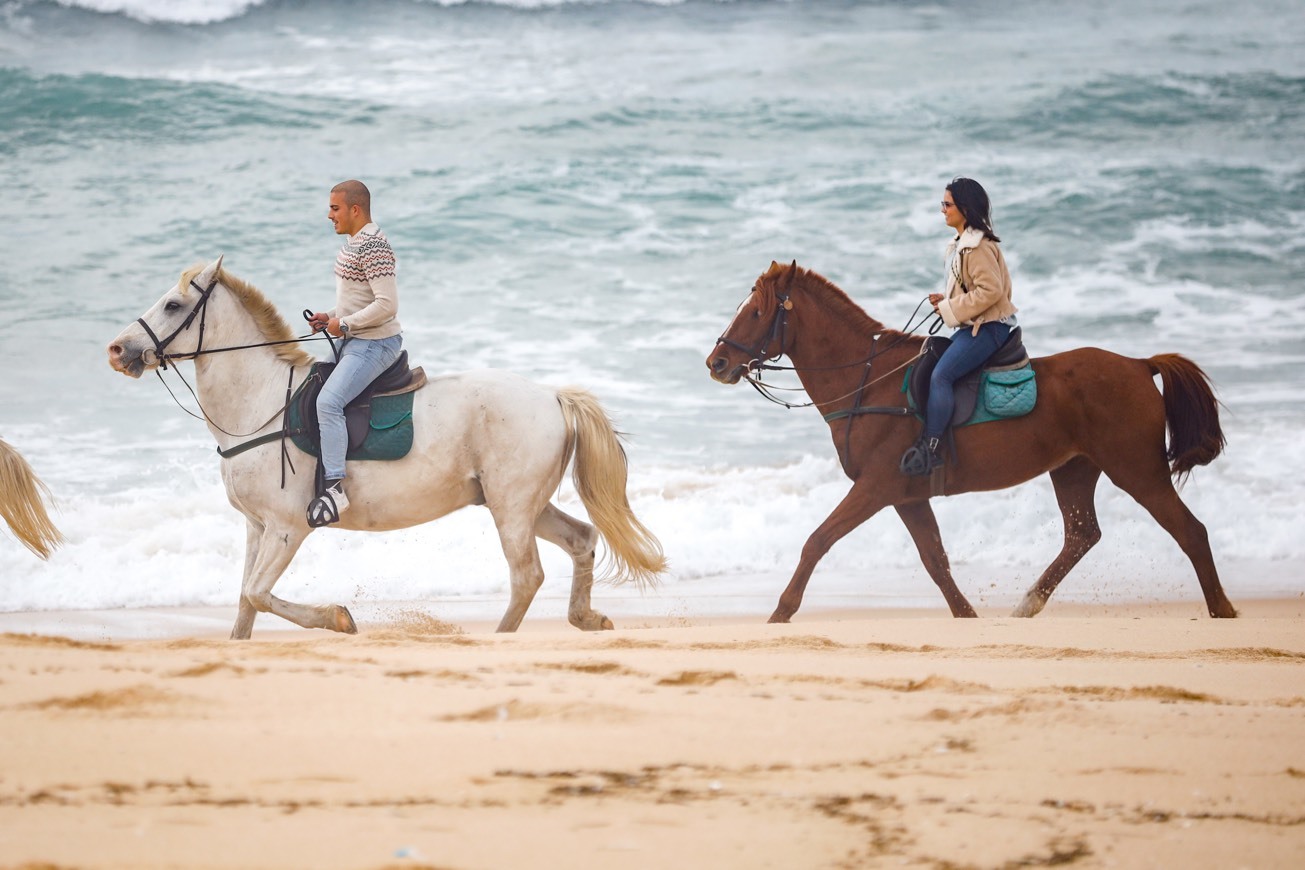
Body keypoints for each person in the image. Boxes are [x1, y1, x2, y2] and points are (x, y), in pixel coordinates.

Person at [900, 177, 1018, 477]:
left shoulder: (976, 247)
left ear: (964, 208)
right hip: (974, 326)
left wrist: (951, 308)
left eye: (947, 204)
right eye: (943, 204)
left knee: (941, 376)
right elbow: (975, 291)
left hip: (990, 329)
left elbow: (990, 292)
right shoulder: (964, 244)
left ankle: (932, 447)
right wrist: (948, 300)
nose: (942, 210)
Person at [305, 179, 404, 525]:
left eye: (335, 208)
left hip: (376, 343)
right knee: (308, 384)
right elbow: (356, 301)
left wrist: (345, 326)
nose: (329, 215)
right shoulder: (353, 243)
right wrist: (329, 317)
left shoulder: (373, 245)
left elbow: (387, 305)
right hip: (355, 339)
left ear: (355, 209)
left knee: (327, 403)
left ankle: (334, 487)